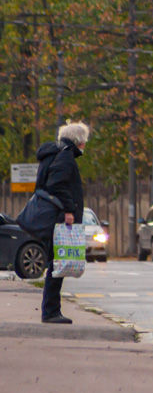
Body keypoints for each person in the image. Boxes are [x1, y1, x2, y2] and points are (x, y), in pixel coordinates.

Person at [35, 121, 90, 324]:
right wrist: (69, 209)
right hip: (60, 217)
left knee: (56, 263)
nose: (85, 145)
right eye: (84, 141)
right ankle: (50, 311)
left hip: (52, 216)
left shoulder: (54, 153)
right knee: (57, 265)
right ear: (79, 141)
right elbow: (56, 184)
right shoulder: (65, 156)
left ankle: (51, 309)